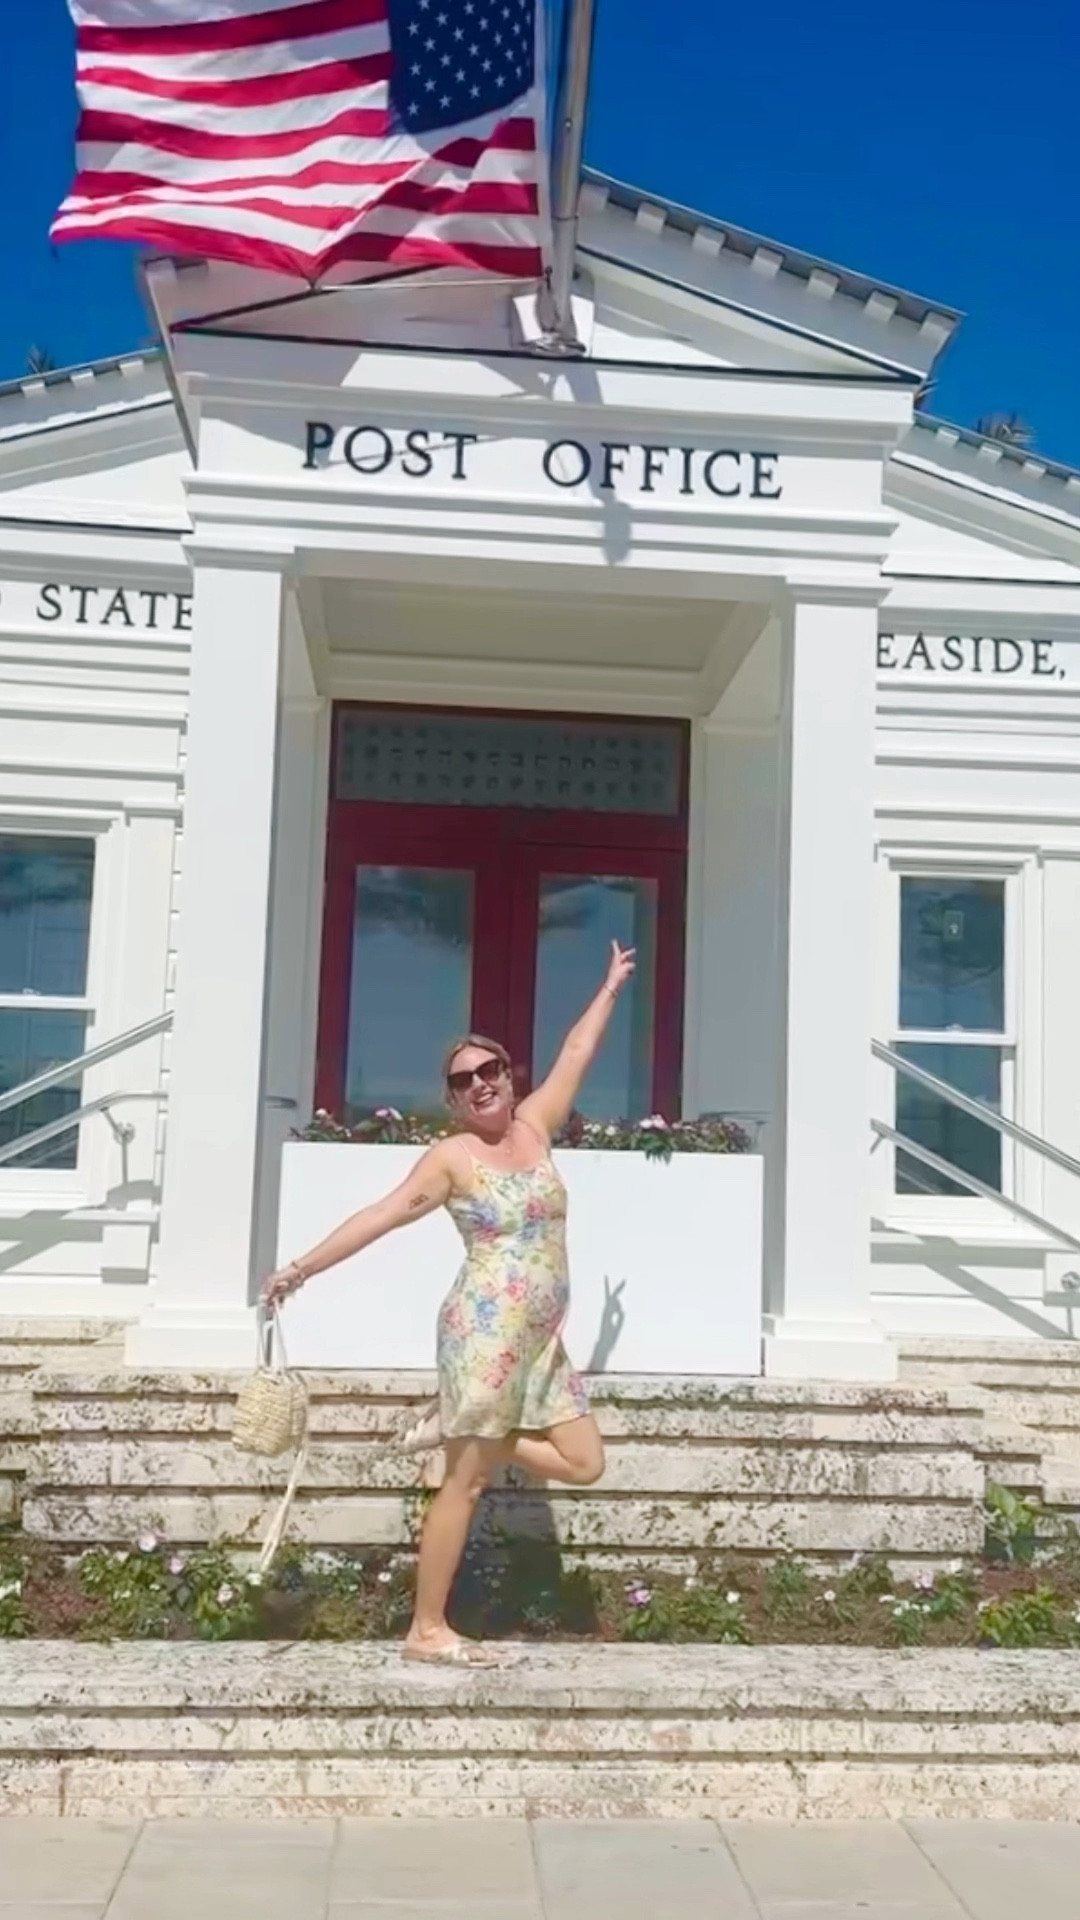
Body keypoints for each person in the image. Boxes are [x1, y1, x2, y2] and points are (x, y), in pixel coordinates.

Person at [263, 939, 636, 1666]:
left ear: (507, 1073)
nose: (481, 1084)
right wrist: (301, 1267)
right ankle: (426, 1629)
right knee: (466, 1484)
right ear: (454, 1098)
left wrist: (611, 984)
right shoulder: (451, 1158)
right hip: (483, 1336)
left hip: (539, 1343)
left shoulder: (535, 1126)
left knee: (585, 1461)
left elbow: (577, 1050)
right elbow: (380, 1215)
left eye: (490, 1069)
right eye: (464, 1081)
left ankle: (459, 1427)